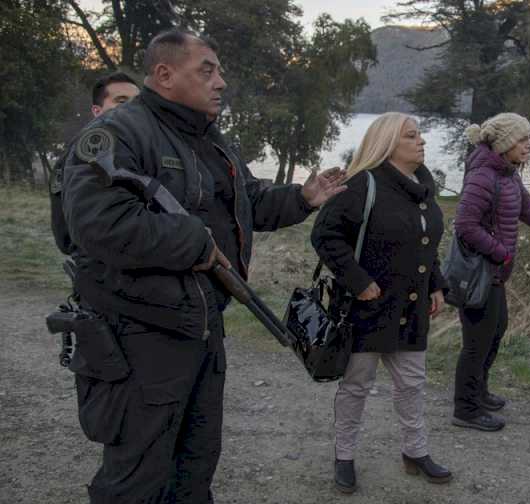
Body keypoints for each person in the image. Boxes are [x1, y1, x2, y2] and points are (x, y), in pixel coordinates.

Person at [60, 30, 345, 503]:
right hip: (139, 333)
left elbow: (246, 203)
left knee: (194, 463)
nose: (221, 82)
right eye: (207, 71)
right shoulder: (117, 134)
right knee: (136, 475)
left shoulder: (209, 139)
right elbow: (97, 224)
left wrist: (301, 197)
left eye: (220, 72)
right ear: (165, 75)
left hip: (202, 326)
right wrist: (193, 240)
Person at [311, 112, 452, 494]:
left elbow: (425, 243)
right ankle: (344, 457)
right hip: (367, 309)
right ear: (389, 144)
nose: (421, 141)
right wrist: (359, 282)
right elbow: (325, 235)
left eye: (420, 134)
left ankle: (415, 452)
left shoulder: (423, 185)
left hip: (411, 309)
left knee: (412, 384)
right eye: (411, 136)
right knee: (357, 385)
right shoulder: (363, 185)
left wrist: (436, 285)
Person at [451, 113, 530, 432]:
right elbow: (464, 225)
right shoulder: (483, 176)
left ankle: (478, 392)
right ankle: (465, 409)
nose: (529, 144)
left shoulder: (508, 176)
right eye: (523, 139)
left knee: (495, 330)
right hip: (480, 274)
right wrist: (501, 252)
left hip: (495, 275)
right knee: (477, 342)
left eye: (529, 137)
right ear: (505, 143)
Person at [50, 71, 140, 255]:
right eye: (121, 101)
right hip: (103, 271)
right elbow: (66, 234)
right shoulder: (85, 152)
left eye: (137, 102)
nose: (132, 108)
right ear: (97, 111)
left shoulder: (146, 149)